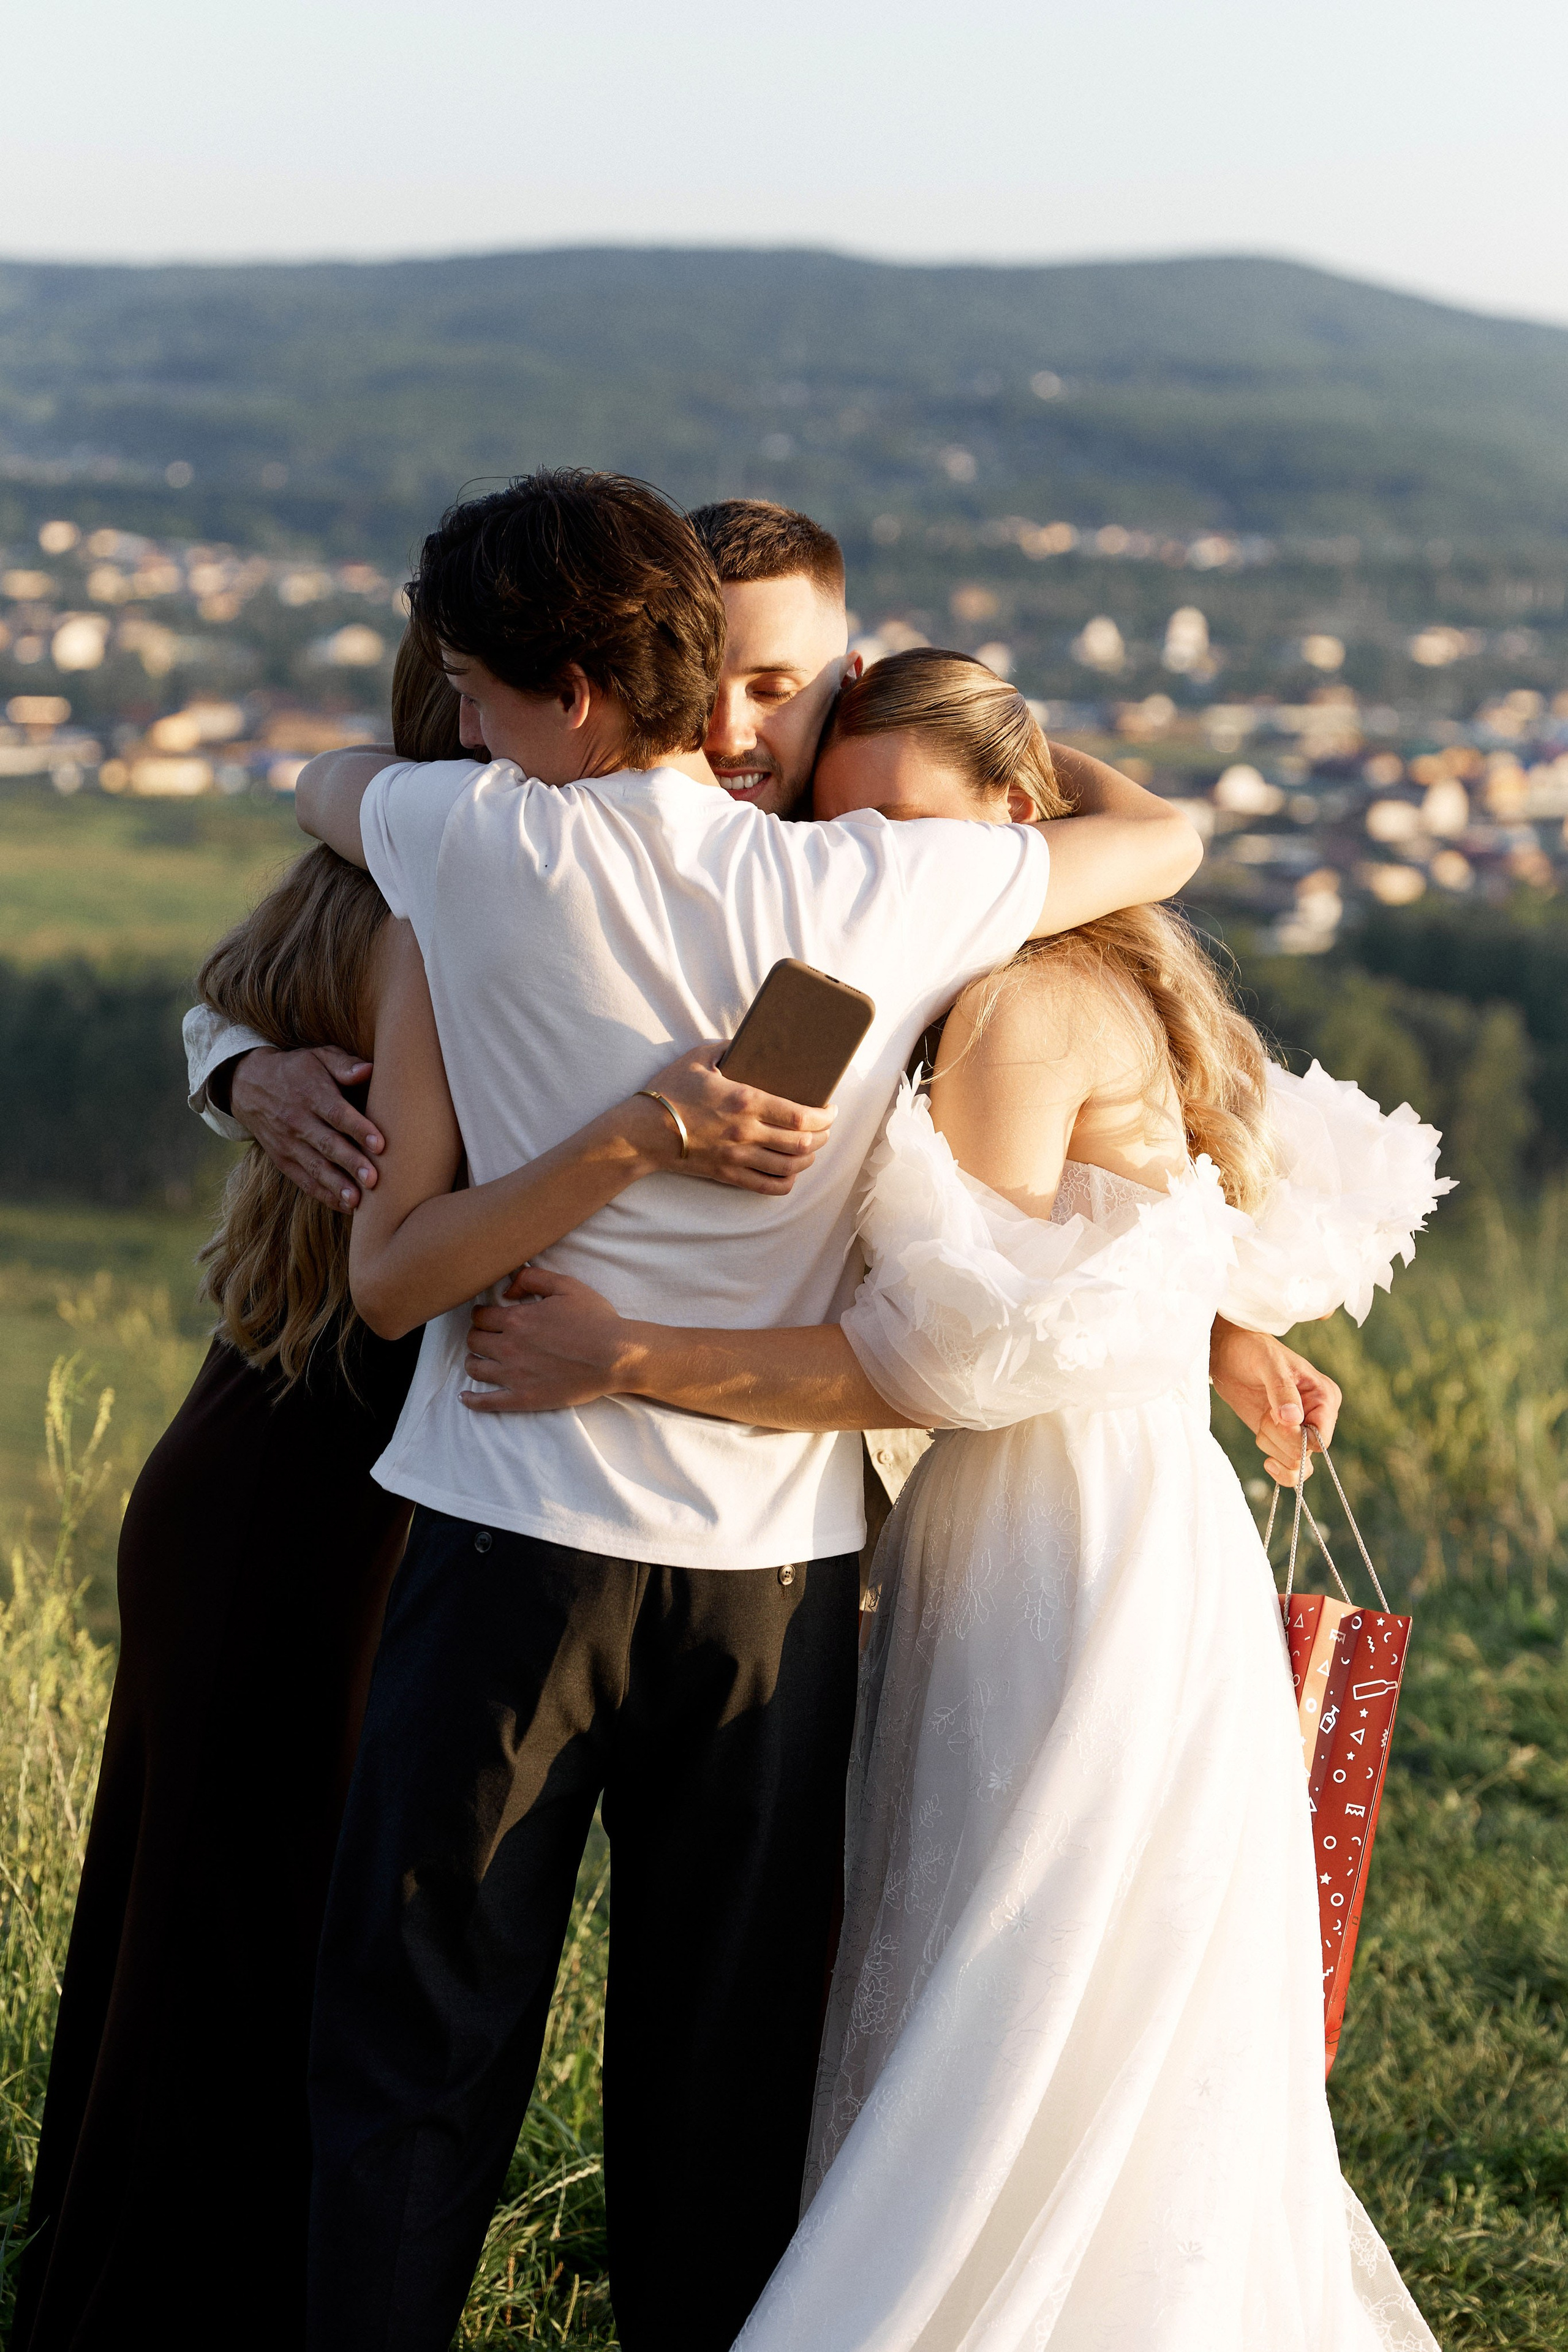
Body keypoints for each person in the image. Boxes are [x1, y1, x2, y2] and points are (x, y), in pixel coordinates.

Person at [288, 465, 1202, 2352]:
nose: (461, 722)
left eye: (476, 687)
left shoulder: (469, 838)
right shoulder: (887, 880)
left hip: (509, 1544)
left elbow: (315, 790)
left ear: (564, 691)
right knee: (720, 2092)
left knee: (413, 2058)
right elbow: (1163, 847)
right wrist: (990, 718)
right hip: (772, 1579)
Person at [464, 649, 1450, 2351]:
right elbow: (1105, 1263)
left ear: (1015, 819)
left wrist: (625, 1352)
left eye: (911, 829)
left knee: (1007, 1962)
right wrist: (1218, 1335)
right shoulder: (1103, 974)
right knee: (1097, 1977)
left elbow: (929, 1371)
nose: (878, 878)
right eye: (845, 834)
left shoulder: (1005, 1008)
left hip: (1050, 1548)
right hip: (1139, 1522)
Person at [13, 628, 816, 2352]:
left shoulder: (436, 884)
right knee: (294, 1934)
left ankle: (151, 2288)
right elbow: (288, 1045)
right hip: (369, 1456)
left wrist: (231, 1060)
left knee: (238, 1916)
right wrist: (242, 1067)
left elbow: (242, 987)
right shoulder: (462, 900)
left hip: (285, 1448)